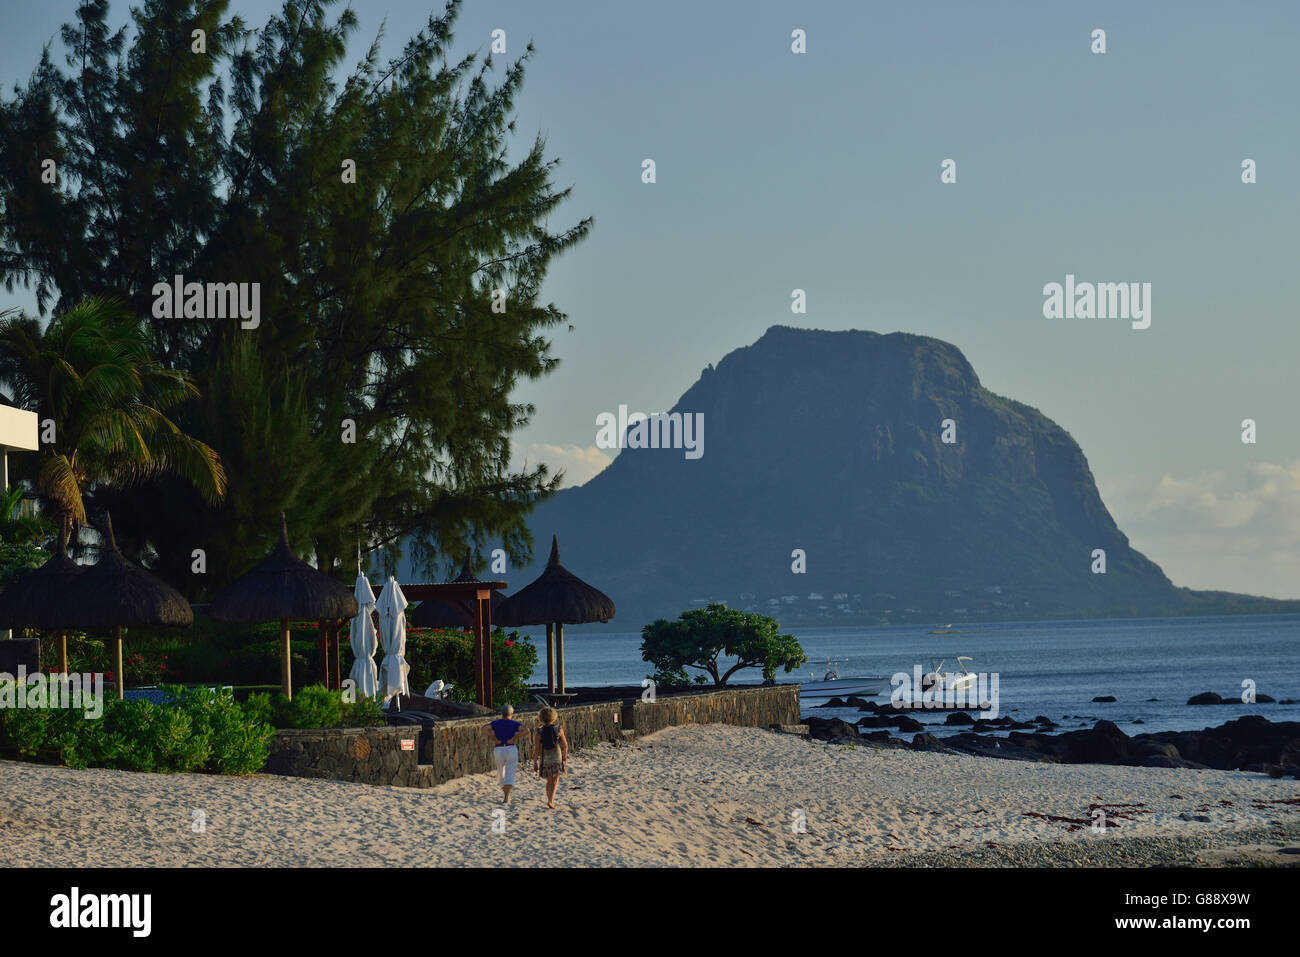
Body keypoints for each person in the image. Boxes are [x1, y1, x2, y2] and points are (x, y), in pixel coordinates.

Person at [483, 704, 523, 803]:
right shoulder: (514, 723)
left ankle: (505, 795)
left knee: (501, 772)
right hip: (511, 748)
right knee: (510, 771)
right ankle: (507, 796)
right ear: (511, 713)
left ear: (502, 713)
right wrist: (514, 738)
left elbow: (484, 729)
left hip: (499, 748)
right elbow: (527, 730)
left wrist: (494, 739)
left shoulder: (496, 723)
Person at [533, 707, 569, 809]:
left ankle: (549, 799)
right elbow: (565, 745)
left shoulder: (539, 732)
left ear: (541, 718)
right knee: (555, 780)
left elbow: (537, 749)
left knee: (549, 780)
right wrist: (565, 756)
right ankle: (551, 801)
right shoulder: (559, 729)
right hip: (556, 755)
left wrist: (535, 762)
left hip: (545, 756)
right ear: (553, 717)